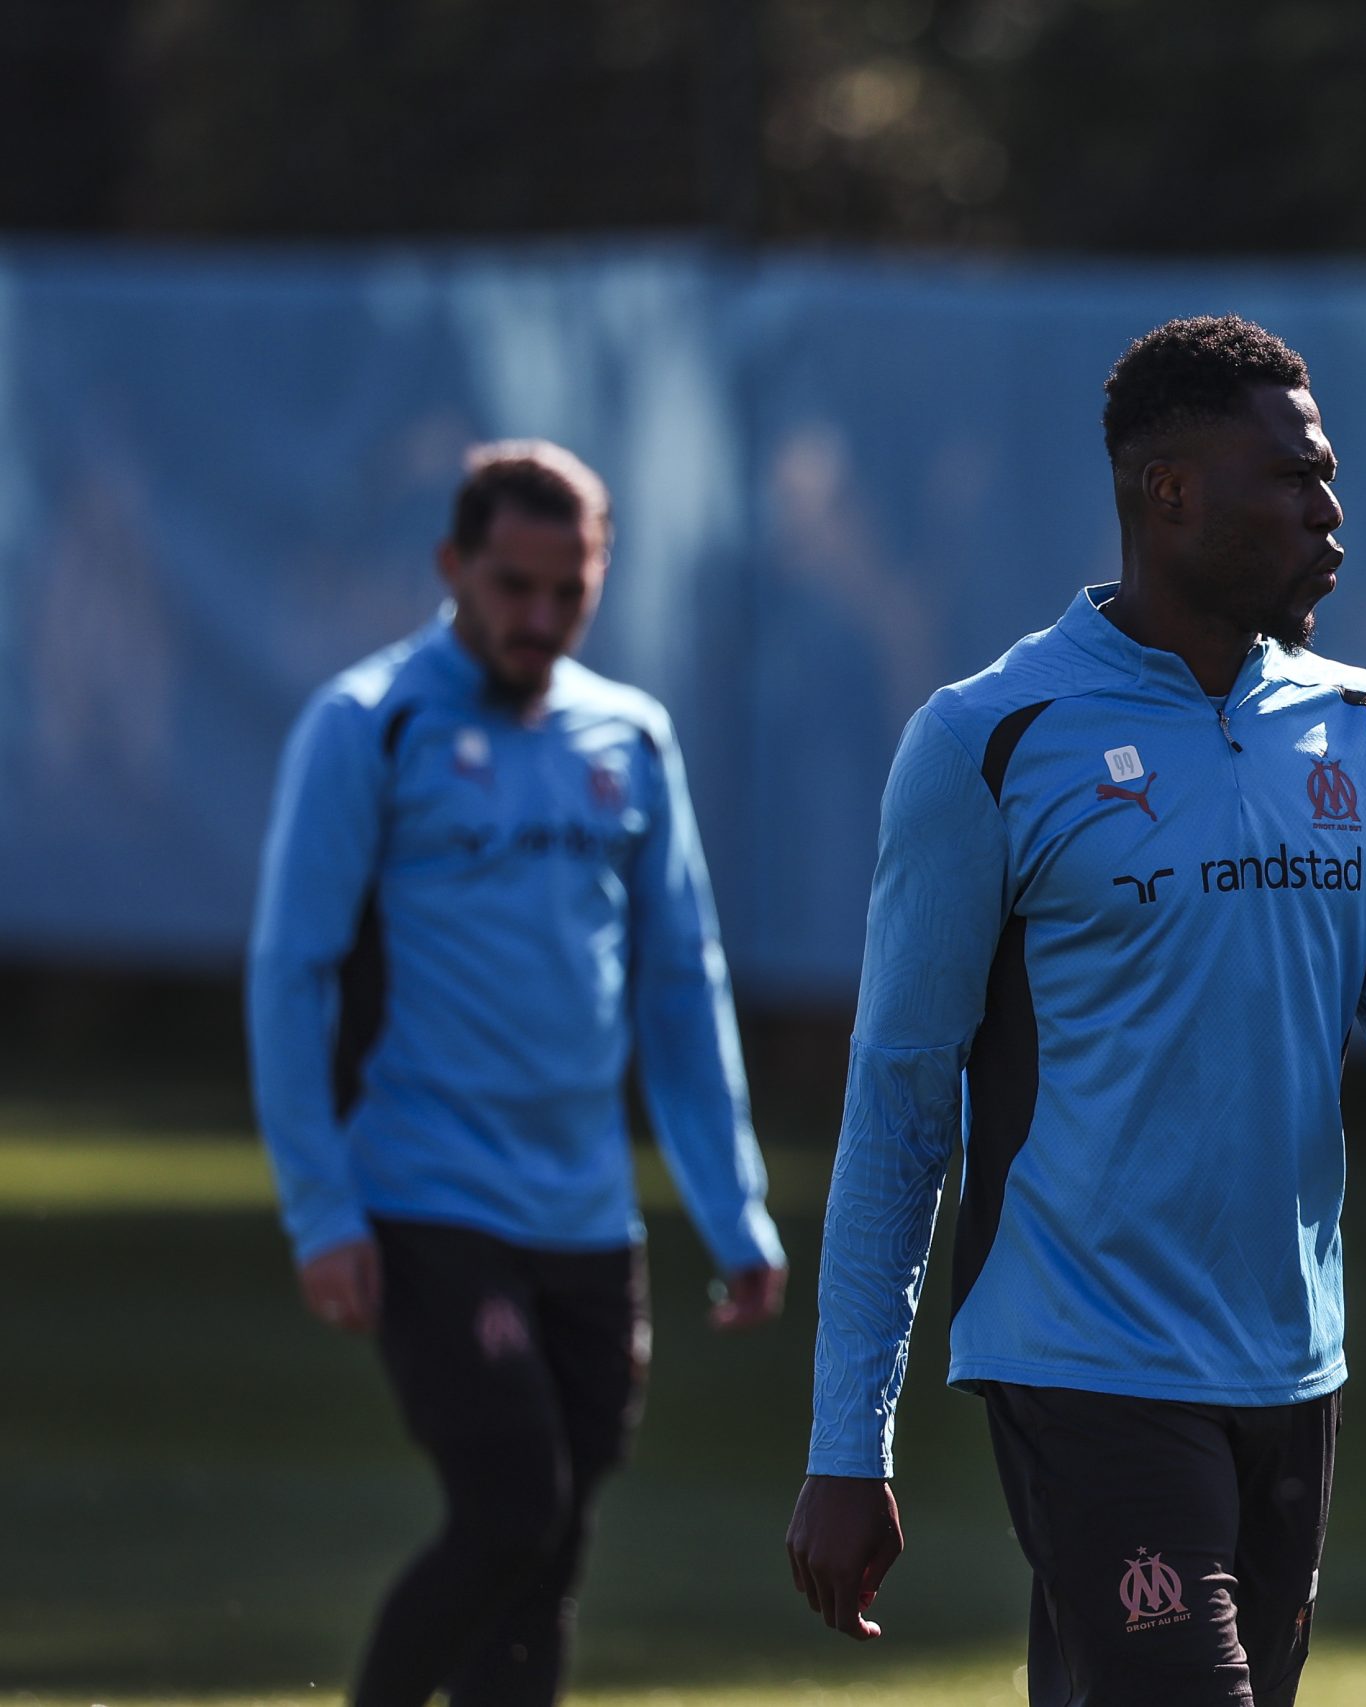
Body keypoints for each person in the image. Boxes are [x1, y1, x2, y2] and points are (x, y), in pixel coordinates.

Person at [784, 315, 1366, 1705]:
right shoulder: (989, 736)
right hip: (1081, 1348)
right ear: (1170, 494)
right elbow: (902, 1099)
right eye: (1294, 478)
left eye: (1328, 476)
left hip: (1292, 1357)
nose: (1332, 512)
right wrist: (846, 1441)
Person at [247, 440, 787, 1707]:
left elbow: (680, 985)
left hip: (585, 1209)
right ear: (452, 567)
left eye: (569, 593)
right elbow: (293, 975)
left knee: (550, 1548)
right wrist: (322, 1209)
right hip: (428, 1190)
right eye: (513, 588)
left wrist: (732, 1205)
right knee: (509, 1504)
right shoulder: (368, 726)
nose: (539, 620)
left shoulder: (632, 740)